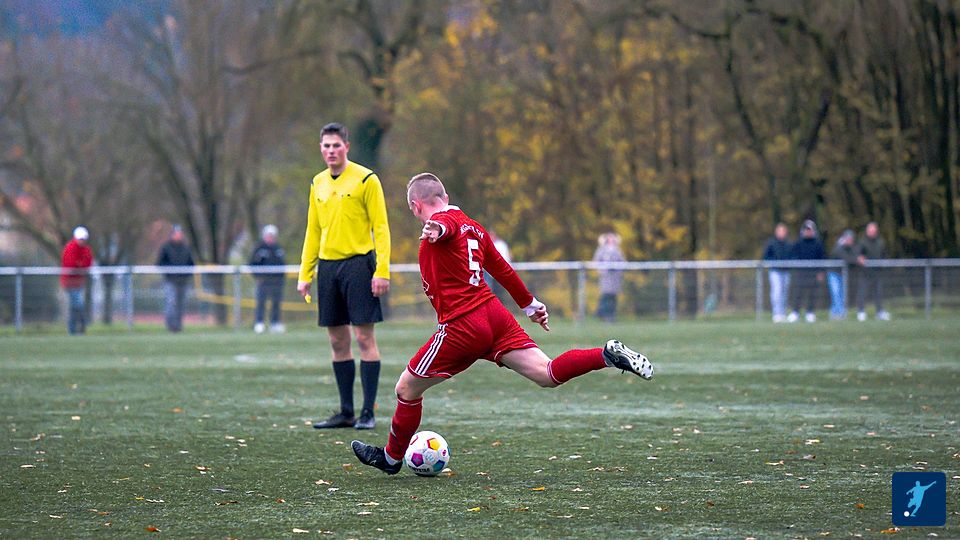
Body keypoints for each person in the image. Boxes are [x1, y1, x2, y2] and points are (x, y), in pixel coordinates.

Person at [350, 173, 653, 475]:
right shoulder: (475, 228)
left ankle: (391, 458)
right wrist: (530, 304)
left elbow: (444, 226)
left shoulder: (442, 223)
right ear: (445, 196)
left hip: (463, 325)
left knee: (406, 388)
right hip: (494, 315)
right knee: (546, 373)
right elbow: (502, 270)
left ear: (416, 206)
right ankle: (606, 355)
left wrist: (436, 228)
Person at [298, 122, 391, 431]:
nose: (331, 151)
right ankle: (346, 412)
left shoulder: (366, 179)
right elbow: (313, 230)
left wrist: (382, 270)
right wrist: (305, 273)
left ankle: (367, 412)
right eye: (326, 146)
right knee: (337, 341)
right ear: (320, 148)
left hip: (359, 265)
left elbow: (381, 228)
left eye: (336, 145)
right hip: (328, 268)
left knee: (364, 337)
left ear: (346, 147)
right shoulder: (317, 183)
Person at [156, 225, 195, 332]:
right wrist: (169, 273)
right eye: (176, 234)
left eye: (180, 234)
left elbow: (191, 264)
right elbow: (160, 263)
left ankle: (178, 326)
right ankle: (171, 325)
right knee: (171, 302)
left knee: (181, 304)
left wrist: (186, 274)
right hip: (171, 281)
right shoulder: (166, 248)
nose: (178, 236)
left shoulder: (186, 248)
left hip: (183, 281)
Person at [787, 220, 825, 323]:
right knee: (798, 293)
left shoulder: (818, 244)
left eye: (810, 230)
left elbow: (822, 258)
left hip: (813, 273)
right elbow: (792, 256)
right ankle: (795, 313)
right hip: (801, 273)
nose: (808, 232)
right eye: (806, 230)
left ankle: (810, 313)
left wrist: (821, 272)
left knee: (813, 293)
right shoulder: (798, 243)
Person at [250, 224, 286, 334]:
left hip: (276, 282)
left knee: (276, 303)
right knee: (261, 302)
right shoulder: (259, 248)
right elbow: (252, 263)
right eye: (269, 235)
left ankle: (275, 323)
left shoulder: (278, 249)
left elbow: (283, 264)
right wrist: (257, 277)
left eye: (272, 236)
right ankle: (259, 322)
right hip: (263, 281)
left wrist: (281, 278)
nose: (271, 238)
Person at [60, 226, 93, 335]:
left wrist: (80, 265)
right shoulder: (70, 248)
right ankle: (79, 327)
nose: (82, 241)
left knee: (75, 306)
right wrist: (80, 265)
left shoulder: (86, 250)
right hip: (69, 282)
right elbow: (71, 263)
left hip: (79, 282)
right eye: (80, 239)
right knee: (77, 304)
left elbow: (88, 263)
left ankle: (75, 329)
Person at [856, 221, 890, 321]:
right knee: (862, 292)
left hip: (877, 272)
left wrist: (884, 262)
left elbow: (884, 254)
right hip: (865, 273)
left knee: (879, 293)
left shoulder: (881, 242)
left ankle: (879, 312)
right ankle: (861, 312)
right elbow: (858, 255)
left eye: (874, 231)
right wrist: (860, 258)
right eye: (870, 231)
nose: (872, 232)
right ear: (867, 231)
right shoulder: (862, 242)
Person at [762, 223, 792, 323]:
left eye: (783, 231)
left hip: (786, 271)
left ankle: (783, 313)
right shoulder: (771, 243)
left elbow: (792, 256)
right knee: (777, 292)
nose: (781, 233)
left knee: (785, 292)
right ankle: (777, 313)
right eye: (780, 231)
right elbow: (766, 256)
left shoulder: (788, 244)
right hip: (775, 271)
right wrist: (774, 262)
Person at [593, 232, 625, 322]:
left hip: (615, 277)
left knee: (613, 296)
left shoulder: (617, 250)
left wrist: (618, 270)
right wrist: (602, 270)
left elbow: (622, 261)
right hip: (605, 277)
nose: (611, 240)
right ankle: (603, 314)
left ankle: (611, 315)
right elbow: (596, 261)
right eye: (609, 238)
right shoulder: (601, 250)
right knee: (606, 295)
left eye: (612, 238)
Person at [827, 229, 858, 320]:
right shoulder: (839, 248)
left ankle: (835, 313)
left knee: (841, 294)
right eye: (849, 239)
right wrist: (857, 260)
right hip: (833, 274)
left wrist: (856, 259)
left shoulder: (849, 248)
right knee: (836, 293)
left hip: (842, 274)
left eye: (851, 239)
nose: (851, 241)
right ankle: (839, 313)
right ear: (845, 238)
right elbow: (846, 259)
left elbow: (852, 257)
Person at [483, 230, 511, 303]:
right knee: (489, 291)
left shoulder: (501, 245)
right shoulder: (485, 244)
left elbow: (506, 258)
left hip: (500, 273)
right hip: (488, 273)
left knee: (499, 292)